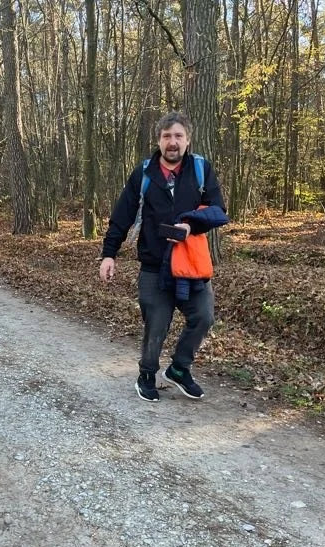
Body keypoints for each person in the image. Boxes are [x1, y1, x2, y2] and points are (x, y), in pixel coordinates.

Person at [98, 111, 228, 402]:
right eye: (167, 136)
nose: (172, 142)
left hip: (191, 265)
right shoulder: (144, 174)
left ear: (188, 139)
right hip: (155, 266)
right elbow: (122, 217)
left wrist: (191, 224)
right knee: (156, 324)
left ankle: (180, 368)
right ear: (158, 140)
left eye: (178, 136)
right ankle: (147, 374)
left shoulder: (200, 169)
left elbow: (219, 212)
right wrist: (109, 255)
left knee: (204, 317)